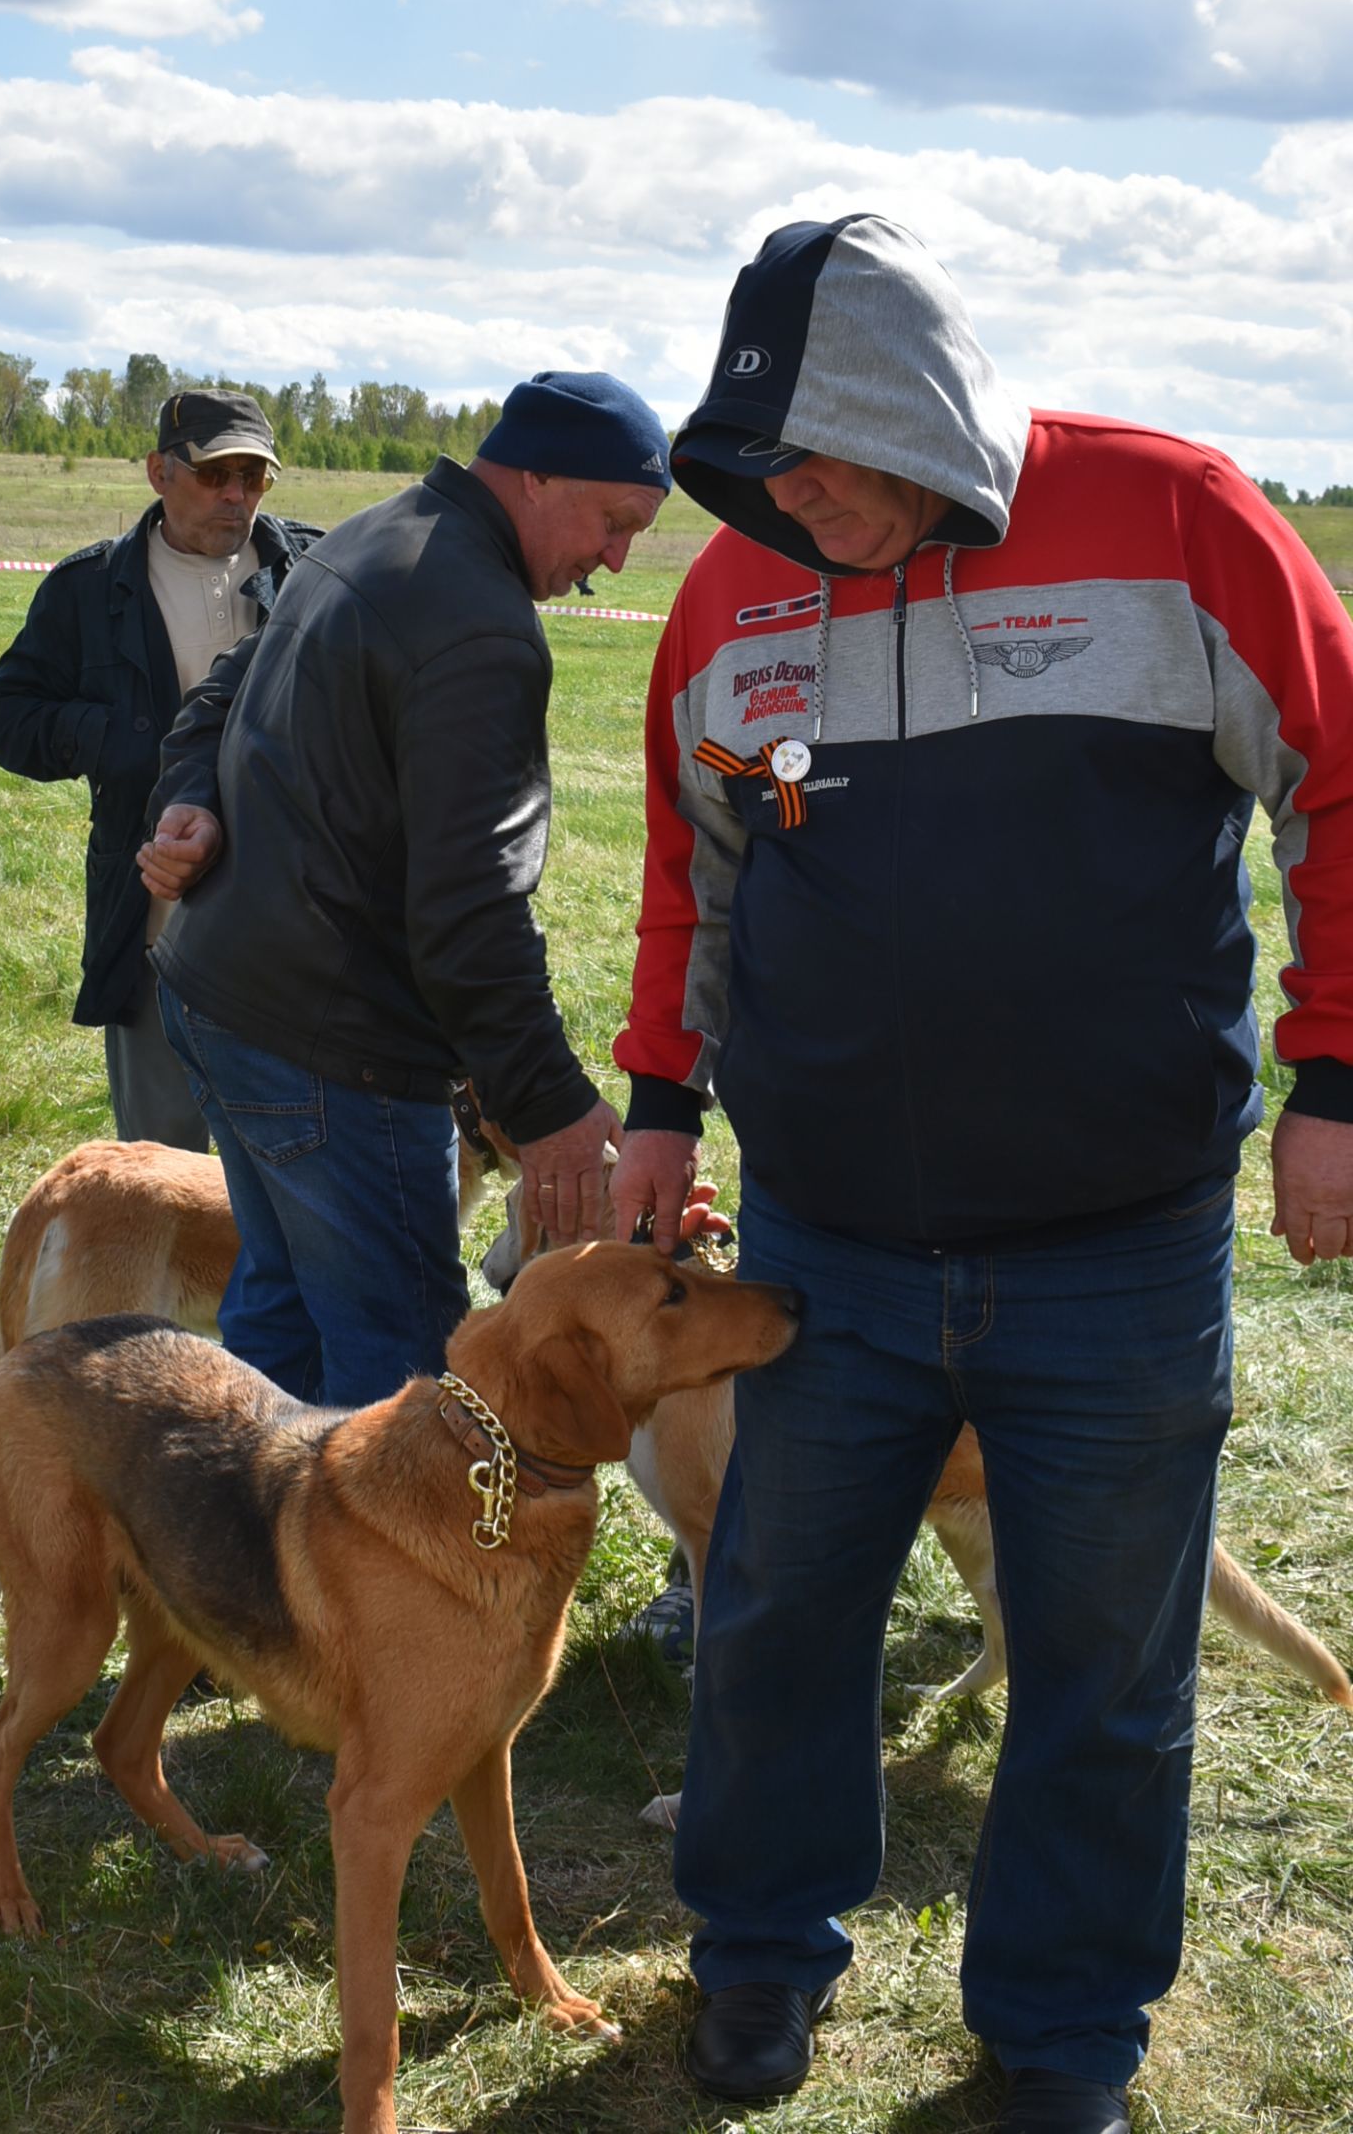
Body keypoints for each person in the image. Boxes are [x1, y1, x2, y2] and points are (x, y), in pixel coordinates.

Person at [611, 212, 1353, 2134]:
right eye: (763, 462)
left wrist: (1337, 1079)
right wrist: (661, 1098)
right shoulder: (735, 596)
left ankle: (1061, 2035)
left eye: (831, 452)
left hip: (1118, 1250)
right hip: (822, 1250)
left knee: (1104, 1667)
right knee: (775, 1613)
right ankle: (760, 1956)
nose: (800, 496)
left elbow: (1339, 783)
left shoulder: (1178, 521)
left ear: (925, 401)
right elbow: (696, 867)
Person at [138, 370, 671, 1407]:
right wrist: (551, 1106)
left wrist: (191, 797)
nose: (613, 558)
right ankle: (375, 1568)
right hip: (335, 1052)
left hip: (217, 997)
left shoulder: (368, 534)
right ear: (539, 474)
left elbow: (216, 694)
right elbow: (470, 911)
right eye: (613, 523)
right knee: (408, 1382)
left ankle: (254, 1560)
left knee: (278, 1325)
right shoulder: (480, 626)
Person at [0, 388, 321, 1147]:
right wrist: (122, 741)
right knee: (164, 1176)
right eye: (215, 474)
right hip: (156, 927)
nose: (237, 496)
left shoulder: (319, 575)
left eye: (255, 478)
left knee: (295, 1170)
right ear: (158, 472)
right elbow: (3, 718)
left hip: (302, 937)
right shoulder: (89, 590)